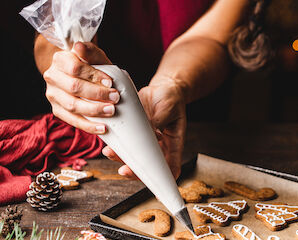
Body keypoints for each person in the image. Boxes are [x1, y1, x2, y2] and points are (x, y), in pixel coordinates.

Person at [33, 0, 271, 179]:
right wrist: (68, 67)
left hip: (195, 122)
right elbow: (55, 28)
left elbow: (215, 35)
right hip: (89, 138)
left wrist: (170, 83)